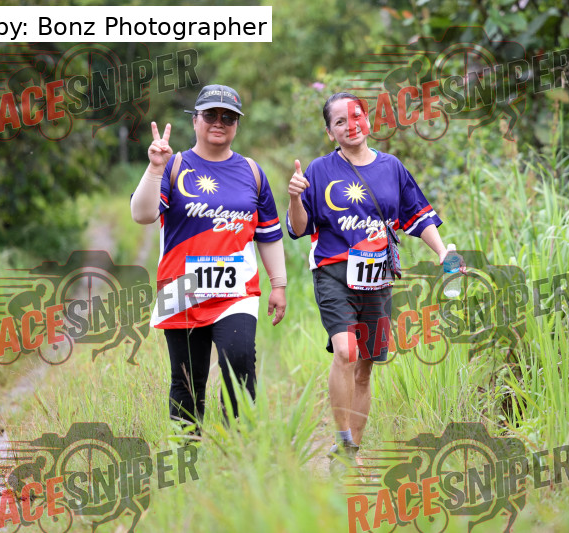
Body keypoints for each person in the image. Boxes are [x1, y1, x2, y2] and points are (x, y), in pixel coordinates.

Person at [287, 92, 451, 470]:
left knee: (364, 368)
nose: (351, 125)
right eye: (340, 121)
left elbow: (418, 216)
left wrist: (442, 252)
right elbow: (299, 227)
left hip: (378, 277)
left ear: (368, 120)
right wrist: (295, 198)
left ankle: (351, 455)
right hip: (333, 271)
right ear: (330, 132)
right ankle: (342, 438)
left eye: (356, 116)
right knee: (346, 351)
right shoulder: (318, 170)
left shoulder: (392, 167)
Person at [131, 84, 287, 428]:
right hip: (181, 287)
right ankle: (187, 450)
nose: (219, 122)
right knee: (188, 379)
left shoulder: (252, 172)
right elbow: (141, 215)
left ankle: (239, 446)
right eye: (211, 115)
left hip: (237, 291)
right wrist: (155, 168)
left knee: (240, 362)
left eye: (228, 117)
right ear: (195, 120)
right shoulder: (173, 166)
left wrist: (279, 285)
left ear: (237, 124)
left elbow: (269, 235)